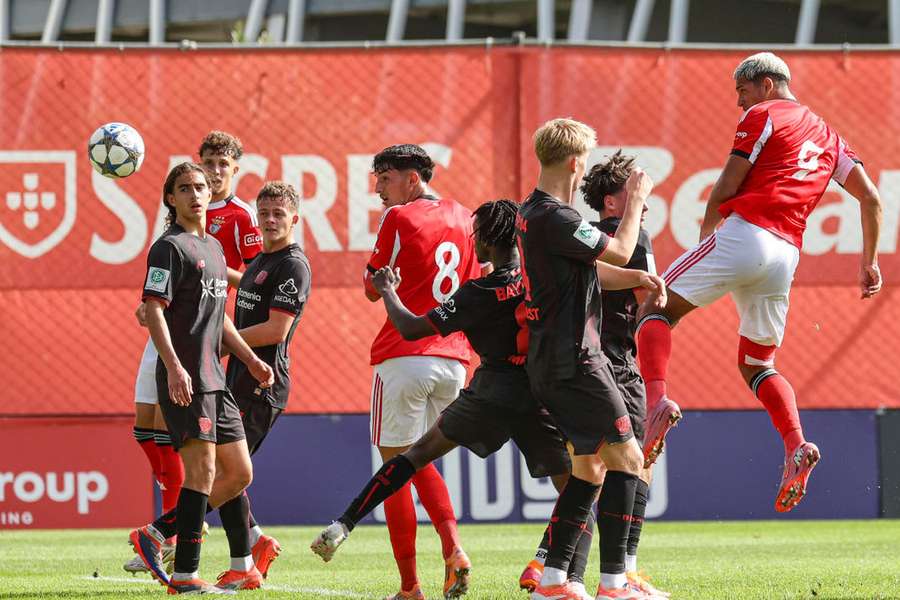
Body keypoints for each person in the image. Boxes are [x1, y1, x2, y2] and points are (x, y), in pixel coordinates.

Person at [635, 52, 883, 512]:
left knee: (654, 306)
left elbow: (727, 185)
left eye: (742, 91)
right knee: (757, 364)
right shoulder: (830, 136)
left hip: (746, 234)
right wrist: (869, 262)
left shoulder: (763, 114)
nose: (738, 103)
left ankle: (657, 403)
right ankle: (795, 445)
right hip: (786, 256)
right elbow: (870, 197)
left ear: (767, 84)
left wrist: (710, 234)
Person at [311, 199, 582, 598]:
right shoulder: (539, 279)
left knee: (414, 457)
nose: (474, 241)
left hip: (490, 392)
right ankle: (555, 571)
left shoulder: (478, 292)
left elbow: (410, 327)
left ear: (488, 240)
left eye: (477, 235)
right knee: (575, 490)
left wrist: (387, 291)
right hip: (537, 392)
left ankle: (344, 524)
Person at [516, 118, 663, 600]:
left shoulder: (533, 212)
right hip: (576, 358)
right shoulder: (556, 217)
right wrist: (638, 198)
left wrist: (637, 281)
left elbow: (593, 271)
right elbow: (621, 251)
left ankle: (554, 580)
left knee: (589, 468)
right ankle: (615, 584)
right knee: (628, 458)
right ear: (576, 163)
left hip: (551, 360)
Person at [126, 131, 269, 576]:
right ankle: (186, 574)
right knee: (202, 473)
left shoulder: (212, 247)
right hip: (186, 377)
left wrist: (248, 358)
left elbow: (219, 316)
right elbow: (151, 308)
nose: (195, 194)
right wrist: (172, 368)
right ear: (170, 197)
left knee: (239, 474)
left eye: (201, 187)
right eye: (185, 188)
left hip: (216, 378)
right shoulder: (168, 247)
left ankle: (156, 533)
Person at [359, 144, 481, 600]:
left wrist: (383, 281)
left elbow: (373, 287)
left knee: (395, 470)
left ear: (413, 178)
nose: (378, 188)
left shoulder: (399, 218)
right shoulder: (467, 217)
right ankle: (452, 550)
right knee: (419, 460)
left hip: (406, 354)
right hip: (454, 361)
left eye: (385, 178)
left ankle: (412, 586)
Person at [213, 181, 312, 590]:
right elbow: (244, 283)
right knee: (227, 470)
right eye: (264, 213)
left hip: (263, 383)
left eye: (278, 214)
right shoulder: (259, 262)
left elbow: (275, 330)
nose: (270, 220)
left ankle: (167, 532)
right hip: (239, 376)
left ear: (294, 219)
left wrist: (219, 341)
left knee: (229, 472)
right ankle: (250, 552)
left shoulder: (294, 265)